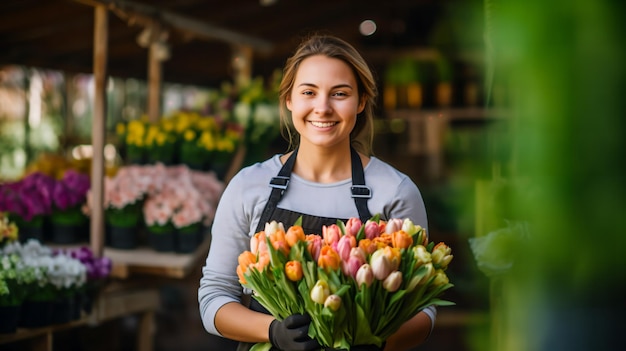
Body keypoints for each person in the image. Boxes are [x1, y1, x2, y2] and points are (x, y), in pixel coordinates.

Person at [199, 34, 436, 351]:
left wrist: (374, 340)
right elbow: (214, 296)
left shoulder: (395, 191)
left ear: (361, 102)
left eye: (340, 93)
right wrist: (272, 332)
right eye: (308, 92)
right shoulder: (249, 186)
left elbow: (424, 307)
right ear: (289, 100)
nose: (322, 108)